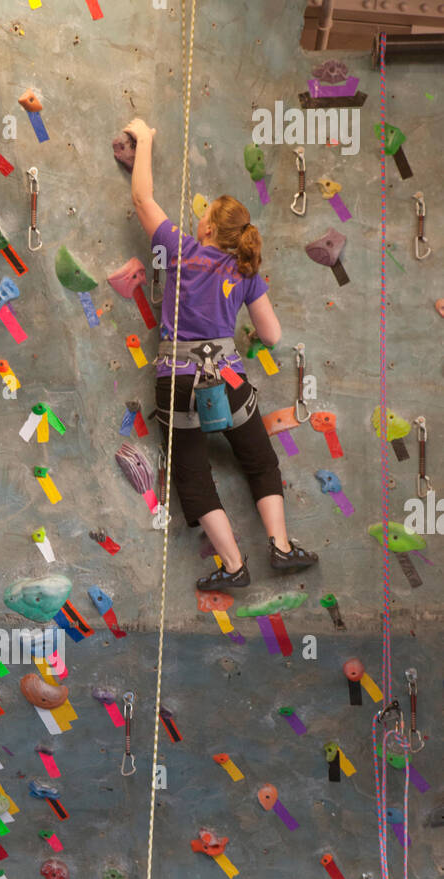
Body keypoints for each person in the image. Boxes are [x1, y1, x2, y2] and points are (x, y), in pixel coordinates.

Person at [124, 118, 318, 591]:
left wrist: (145, 140)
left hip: (178, 379)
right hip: (228, 378)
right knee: (259, 461)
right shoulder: (245, 270)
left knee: (193, 475)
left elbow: (142, 200)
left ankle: (234, 566)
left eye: (203, 213)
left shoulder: (180, 249)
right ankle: (282, 546)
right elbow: (271, 334)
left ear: (207, 226)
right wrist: (244, 332)